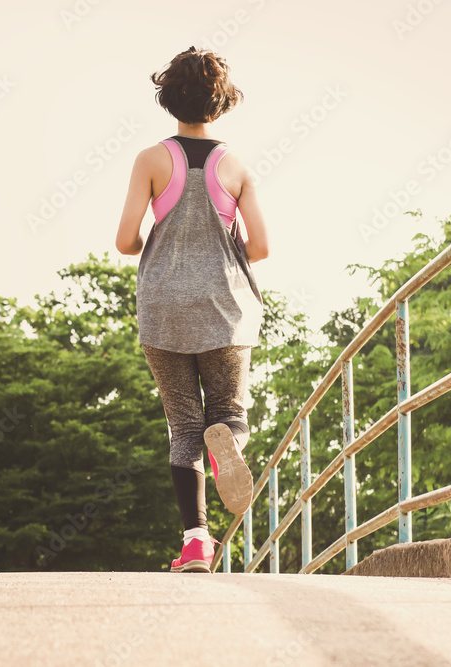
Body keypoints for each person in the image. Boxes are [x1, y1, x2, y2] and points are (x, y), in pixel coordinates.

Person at [114, 46, 269, 574]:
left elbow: (124, 240)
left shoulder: (151, 160)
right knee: (227, 416)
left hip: (163, 307)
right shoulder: (237, 165)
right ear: (221, 102)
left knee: (183, 427)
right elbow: (262, 246)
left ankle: (196, 543)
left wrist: (160, 244)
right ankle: (228, 444)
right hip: (225, 308)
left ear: (168, 97)